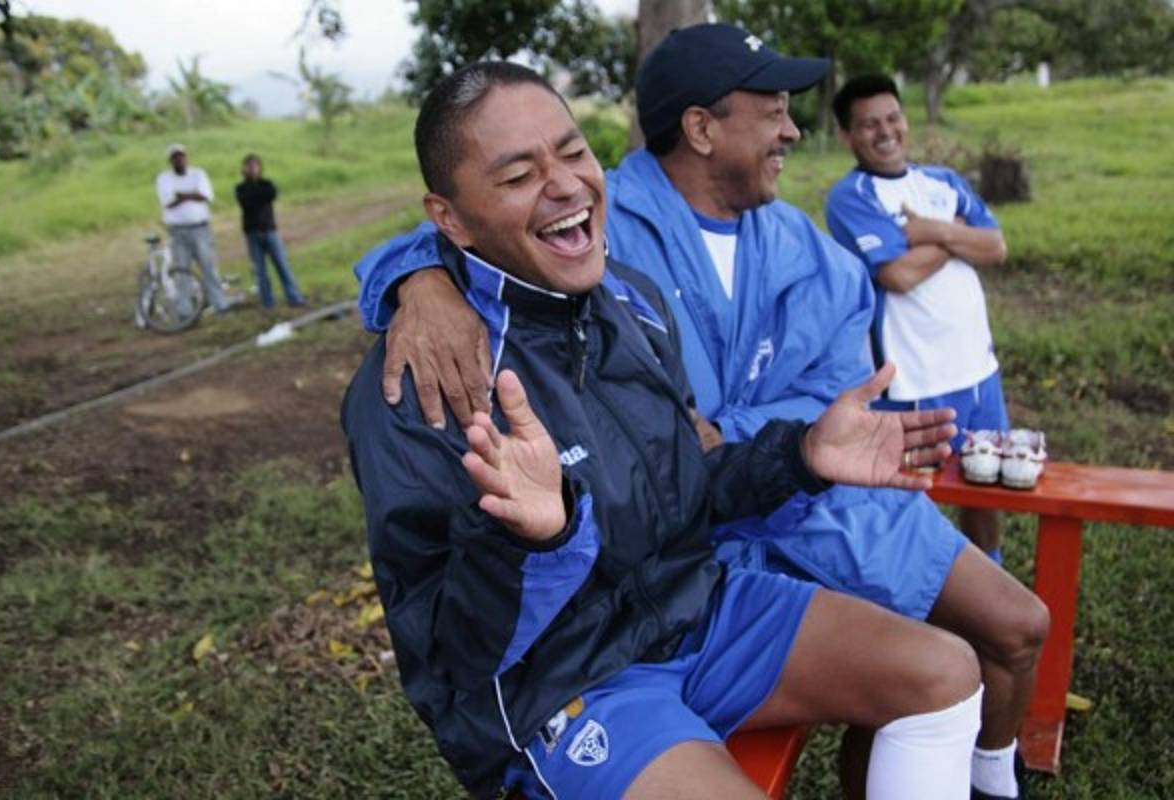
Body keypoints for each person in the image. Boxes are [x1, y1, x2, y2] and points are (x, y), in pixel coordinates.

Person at [355, 26, 1047, 800]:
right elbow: (453, 649)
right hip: (568, 677)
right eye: (519, 174)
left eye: (574, 152)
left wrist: (802, 454)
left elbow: (694, 471)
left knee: (948, 668)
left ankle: (995, 779)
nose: (565, 184)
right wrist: (534, 539)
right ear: (700, 128)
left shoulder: (633, 300)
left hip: (697, 604)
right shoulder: (430, 372)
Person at [826, 73, 1010, 566]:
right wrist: (957, 234)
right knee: (911, 502)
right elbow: (899, 274)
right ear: (847, 136)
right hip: (913, 379)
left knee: (985, 489)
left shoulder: (944, 181)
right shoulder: (851, 197)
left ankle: (990, 575)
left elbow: (996, 246)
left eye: (892, 118)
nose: (885, 132)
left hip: (978, 371)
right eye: (868, 125)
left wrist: (930, 230)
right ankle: (925, 605)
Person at [154, 144, 233, 313]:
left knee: (209, 267)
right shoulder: (164, 178)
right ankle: (185, 311)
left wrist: (181, 195)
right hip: (177, 231)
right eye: (175, 157)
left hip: (201, 229)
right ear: (170, 160)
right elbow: (168, 202)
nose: (179, 159)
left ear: (186, 157)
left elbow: (205, 196)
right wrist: (192, 194)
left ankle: (220, 304)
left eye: (182, 156)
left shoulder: (198, 174)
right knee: (182, 271)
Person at [234, 153, 306, 309]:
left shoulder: (267, 184)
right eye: (249, 166)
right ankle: (268, 303)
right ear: (244, 169)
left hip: (269, 231)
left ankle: (294, 297)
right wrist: (257, 196)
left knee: (282, 265)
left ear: (259, 168)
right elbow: (246, 202)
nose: (252, 169)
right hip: (252, 234)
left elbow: (270, 194)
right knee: (260, 271)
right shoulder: (241, 188)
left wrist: (255, 196)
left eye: (255, 165)